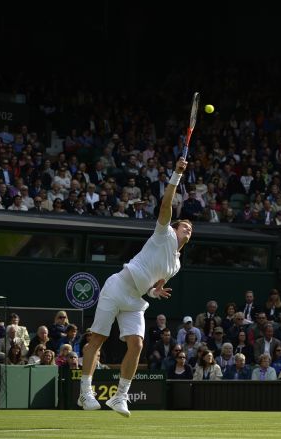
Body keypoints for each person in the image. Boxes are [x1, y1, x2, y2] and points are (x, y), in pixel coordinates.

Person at [79, 157, 192, 417]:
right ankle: (85, 393)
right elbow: (166, 204)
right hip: (117, 286)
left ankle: (120, 397)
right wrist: (176, 174)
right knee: (97, 339)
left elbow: (151, 287)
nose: (188, 229)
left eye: (191, 229)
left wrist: (155, 291)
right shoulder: (163, 234)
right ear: (174, 229)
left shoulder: (175, 266)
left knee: (137, 345)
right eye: (184, 225)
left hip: (135, 300)